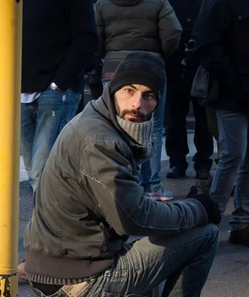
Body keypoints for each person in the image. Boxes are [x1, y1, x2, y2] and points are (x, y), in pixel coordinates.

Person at [22, 52, 220, 297]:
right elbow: (132, 218)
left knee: (164, 232)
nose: (137, 104)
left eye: (148, 95)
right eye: (129, 91)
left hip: (58, 271)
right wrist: (197, 209)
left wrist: (167, 209)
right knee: (205, 234)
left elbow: (119, 205)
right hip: (75, 287)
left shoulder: (97, 119)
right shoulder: (100, 139)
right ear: (113, 90)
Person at [94, 0, 182, 201]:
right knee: (153, 127)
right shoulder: (159, 2)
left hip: (113, 66)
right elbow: (173, 32)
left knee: (112, 125)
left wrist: (108, 54)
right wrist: (158, 54)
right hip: (150, 66)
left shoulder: (102, 4)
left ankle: (117, 185)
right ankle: (151, 186)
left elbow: (95, 37)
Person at [20, 0, 99, 192]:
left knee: (42, 173)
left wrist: (60, 83)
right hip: (22, 89)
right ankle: (49, 219)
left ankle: (51, 221)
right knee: (36, 172)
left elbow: (87, 37)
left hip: (56, 90)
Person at [194, 0, 249, 245]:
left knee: (243, 158)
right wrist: (233, 81)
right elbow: (205, 46)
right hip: (232, 93)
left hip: (236, 88)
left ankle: (242, 223)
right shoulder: (221, 4)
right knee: (233, 155)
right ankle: (210, 219)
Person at [164, 0, 213, 181]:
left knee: (202, 119)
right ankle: (179, 161)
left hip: (198, 63)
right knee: (175, 117)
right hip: (177, 62)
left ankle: (201, 162)